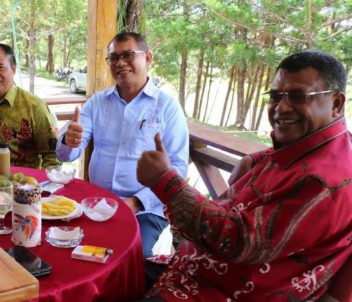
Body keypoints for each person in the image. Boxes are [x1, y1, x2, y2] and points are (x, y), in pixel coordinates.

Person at [137, 50, 351, 300]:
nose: (281, 107)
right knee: (115, 268)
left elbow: (237, 242)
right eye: (276, 96)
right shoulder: (321, 147)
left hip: (223, 290)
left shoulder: (324, 183)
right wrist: (256, 157)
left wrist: (166, 182)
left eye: (297, 97)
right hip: (197, 267)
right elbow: (290, 159)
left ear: (336, 103)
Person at [56, 32, 189, 259]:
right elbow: (67, 155)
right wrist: (69, 141)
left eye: (128, 55)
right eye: (114, 58)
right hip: (96, 203)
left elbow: (178, 166)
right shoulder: (97, 103)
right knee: (64, 245)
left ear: (147, 59)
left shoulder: (167, 107)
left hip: (145, 210)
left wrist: (137, 202)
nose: (120, 63)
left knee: (133, 257)